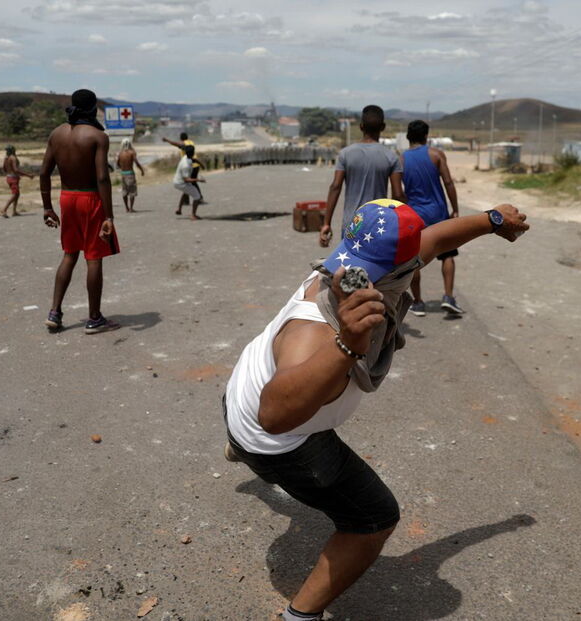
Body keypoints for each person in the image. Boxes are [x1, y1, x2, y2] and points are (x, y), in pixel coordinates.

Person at [223, 198, 529, 620]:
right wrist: (346, 344)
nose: (351, 278)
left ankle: (237, 445)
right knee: (374, 518)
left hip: (239, 391)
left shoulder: (359, 266)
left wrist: (494, 221)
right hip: (275, 437)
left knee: (257, 428)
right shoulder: (318, 330)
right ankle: (300, 616)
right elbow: (274, 416)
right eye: (353, 267)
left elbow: (437, 237)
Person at [39, 89, 120, 334]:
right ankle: (94, 318)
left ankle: (55, 312)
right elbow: (102, 177)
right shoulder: (97, 136)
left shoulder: (57, 134)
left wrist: (47, 207)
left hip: (67, 199)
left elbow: (44, 173)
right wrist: (109, 216)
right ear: (93, 108)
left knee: (69, 255)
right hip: (90, 199)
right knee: (93, 258)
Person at [400, 120, 463, 316]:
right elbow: (448, 183)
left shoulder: (401, 160)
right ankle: (448, 297)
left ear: (408, 137)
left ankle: (418, 302)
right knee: (448, 255)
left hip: (415, 216)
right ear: (426, 136)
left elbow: (398, 192)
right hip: (439, 213)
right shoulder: (436, 155)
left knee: (413, 259)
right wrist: (455, 209)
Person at [319, 105, 405, 248]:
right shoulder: (391, 157)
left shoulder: (345, 154)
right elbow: (398, 194)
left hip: (352, 223)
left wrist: (326, 223)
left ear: (361, 126)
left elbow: (335, 187)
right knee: (375, 268)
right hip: (378, 225)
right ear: (383, 127)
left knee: (348, 266)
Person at [163, 131, 205, 206]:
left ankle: (198, 198)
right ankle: (190, 199)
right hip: (195, 164)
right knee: (191, 183)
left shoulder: (184, 143)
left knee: (189, 183)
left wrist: (167, 140)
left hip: (190, 165)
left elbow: (176, 144)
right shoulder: (191, 142)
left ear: (181, 138)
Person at [173, 144, 206, 219]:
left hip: (177, 180)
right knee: (197, 197)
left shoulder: (185, 157)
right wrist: (199, 180)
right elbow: (186, 179)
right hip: (181, 183)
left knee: (186, 192)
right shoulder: (186, 165)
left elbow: (193, 159)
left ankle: (179, 209)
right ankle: (193, 215)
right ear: (193, 153)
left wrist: (200, 164)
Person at [0, 145, 33, 218]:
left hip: (9, 177)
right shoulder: (13, 158)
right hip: (13, 178)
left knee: (17, 194)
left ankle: (14, 211)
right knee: (15, 194)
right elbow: (16, 170)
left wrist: (10, 173)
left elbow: (4, 168)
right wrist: (28, 175)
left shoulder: (6, 158)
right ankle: (4, 210)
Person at [115, 137, 145, 213]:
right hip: (130, 173)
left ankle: (126, 208)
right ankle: (131, 208)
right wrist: (141, 170)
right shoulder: (132, 152)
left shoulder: (120, 153)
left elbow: (117, 164)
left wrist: (122, 166)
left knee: (124, 191)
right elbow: (136, 162)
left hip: (123, 174)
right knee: (132, 191)